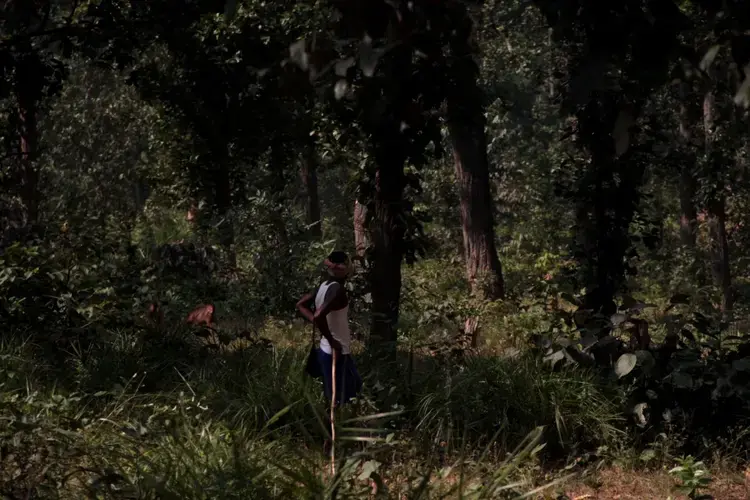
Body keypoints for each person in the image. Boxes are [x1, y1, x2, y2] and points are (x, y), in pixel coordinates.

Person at [296, 250, 362, 405]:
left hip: (331, 349)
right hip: (335, 350)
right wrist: (332, 340)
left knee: (344, 390)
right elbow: (319, 315)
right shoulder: (336, 289)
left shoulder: (323, 286)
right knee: (344, 395)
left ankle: (338, 423)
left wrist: (317, 322)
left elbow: (301, 305)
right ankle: (339, 425)